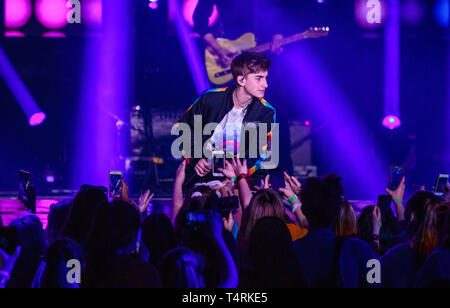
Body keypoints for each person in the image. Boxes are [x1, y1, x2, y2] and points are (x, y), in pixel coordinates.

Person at [176, 51, 277, 187]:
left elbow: (257, 153)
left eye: (265, 78)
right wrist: (196, 158)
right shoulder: (210, 99)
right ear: (241, 80)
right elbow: (184, 128)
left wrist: (236, 177)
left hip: (240, 178)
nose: (265, 84)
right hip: (203, 174)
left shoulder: (265, 112)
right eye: (259, 78)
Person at [292, 174, 379, 288]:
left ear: (303, 209)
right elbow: (376, 283)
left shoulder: (291, 250)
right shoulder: (359, 249)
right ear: (337, 210)